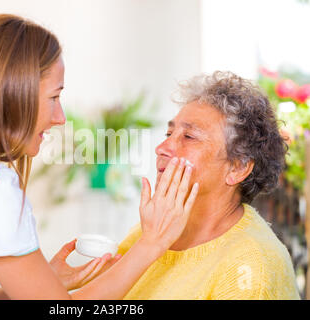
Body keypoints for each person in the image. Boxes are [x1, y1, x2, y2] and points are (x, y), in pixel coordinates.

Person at [0, 14, 199, 299]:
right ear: (13, 94)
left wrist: (36, 284)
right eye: (54, 97)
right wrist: (152, 243)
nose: (59, 117)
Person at [117, 71, 301, 300]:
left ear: (237, 167)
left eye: (189, 137)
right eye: (169, 132)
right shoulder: (151, 233)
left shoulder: (251, 267)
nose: (162, 147)